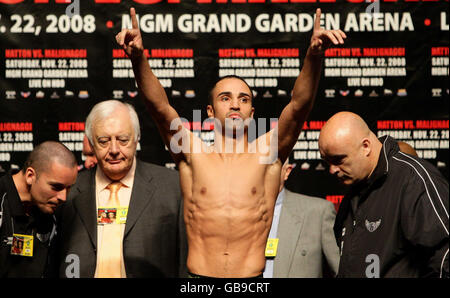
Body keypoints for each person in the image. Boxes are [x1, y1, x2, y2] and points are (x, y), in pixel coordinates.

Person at [116, 7, 346, 277]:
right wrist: (138, 58)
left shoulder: (268, 153)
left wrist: (313, 56)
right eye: (225, 98)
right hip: (199, 280)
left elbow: (298, 106)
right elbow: (159, 107)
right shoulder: (191, 153)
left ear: (252, 113)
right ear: (210, 112)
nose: (235, 104)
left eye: (244, 99)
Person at [55, 100, 187, 278]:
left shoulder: (172, 186)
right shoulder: (69, 190)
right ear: (91, 143)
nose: (114, 149)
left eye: (123, 140)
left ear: (136, 138)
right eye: (103, 141)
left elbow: (185, 260)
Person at [318, 111, 449, 278]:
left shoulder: (412, 180)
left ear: (365, 146)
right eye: (327, 161)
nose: (332, 170)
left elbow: (445, 256)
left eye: (338, 160)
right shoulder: (354, 190)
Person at [0, 141, 78, 277]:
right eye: (56, 187)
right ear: (30, 176)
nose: (63, 197)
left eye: (68, 188)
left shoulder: (50, 211)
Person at [263, 161, 340, 278]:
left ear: (286, 172)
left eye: (268, 166)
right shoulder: (234, 213)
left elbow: (341, 269)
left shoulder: (317, 212)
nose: (260, 172)